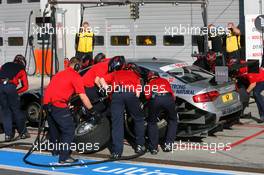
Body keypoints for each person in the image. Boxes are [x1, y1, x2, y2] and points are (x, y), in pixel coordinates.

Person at [44, 57, 100, 164]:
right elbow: (83, 97)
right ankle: (64, 157)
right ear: (77, 66)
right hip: (58, 105)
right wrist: (92, 111)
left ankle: (56, 151)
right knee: (68, 130)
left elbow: (57, 88)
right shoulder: (75, 76)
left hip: (47, 104)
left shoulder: (59, 74)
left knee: (55, 129)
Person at [99, 56, 145, 159]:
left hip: (117, 94)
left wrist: (107, 89)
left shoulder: (115, 73)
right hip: (130, 94)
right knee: (138, 119)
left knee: (117, 124)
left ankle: (117, 152)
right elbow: (138, 93)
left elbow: (101, 79)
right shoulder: (134, 75)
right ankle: (140, 146)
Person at [145, 71, 177, 154]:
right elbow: (173, 97)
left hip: (155, 99)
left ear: (149, 78)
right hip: (168, 99)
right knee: (173, 120)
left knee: (152, 122)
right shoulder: (164, 80)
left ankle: (153, 148)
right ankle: (168, 146)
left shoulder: (149, 84)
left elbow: (147, 96)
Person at [0, 55, 30, 142]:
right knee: (17, 111)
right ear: (23, 63)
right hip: (10, 87)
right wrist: (16, 92)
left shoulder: (5, 65)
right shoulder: (22, 69)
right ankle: (23, 133)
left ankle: (8, 135)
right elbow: (25, 86)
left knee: (5, 112)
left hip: (0, 87)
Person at [82, 53, 108, 121]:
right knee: (101, 105)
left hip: (85, 85)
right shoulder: (103, 65)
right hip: (88, 86)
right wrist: (105, 91)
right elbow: (97, 81)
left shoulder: (96, 65)